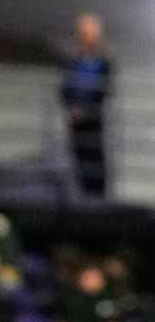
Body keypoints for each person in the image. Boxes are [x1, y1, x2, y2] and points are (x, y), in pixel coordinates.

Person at [61, 13, 112, 197]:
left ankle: (98, 196)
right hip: (75, 118)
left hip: (93, 118)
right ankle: (82, 194)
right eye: (84, 33)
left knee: (95, 156)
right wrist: (72, 107)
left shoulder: (103, 62)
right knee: (78, 157)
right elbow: (65, 88)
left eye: (90, 33)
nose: (87, 37)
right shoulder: (73, 61)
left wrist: (85, 110)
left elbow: (102, 92)